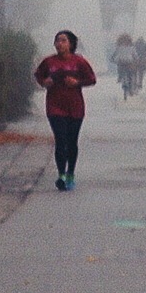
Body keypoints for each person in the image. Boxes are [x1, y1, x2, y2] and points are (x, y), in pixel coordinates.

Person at [34, 30, 98, 189]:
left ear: (71, 44)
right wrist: (45, 82)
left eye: (63, 40)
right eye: (57, 41)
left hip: (75, 107)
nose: (59, 44)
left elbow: (91, 79)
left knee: (71, 141)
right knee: (60, 140)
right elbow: (38, 75)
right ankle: (61, 174)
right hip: (55, 107)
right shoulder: (49, 62)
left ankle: (71, 173)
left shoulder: (79, 62)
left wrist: (76, 82)